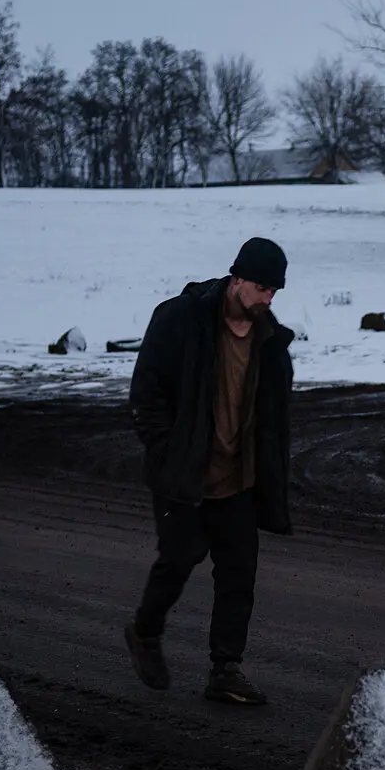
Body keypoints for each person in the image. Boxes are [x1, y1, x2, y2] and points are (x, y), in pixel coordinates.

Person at [123, 237, 294, 705]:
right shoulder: (181, 319)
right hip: (186, 476)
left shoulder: (270, 340)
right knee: (177, 562)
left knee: (239, 574)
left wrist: (272, 472)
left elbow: (275, 418)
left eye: (275, 291)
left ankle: (226, 670)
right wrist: (167, 451)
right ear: (236, 278)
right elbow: (146, 393)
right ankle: (144, 632)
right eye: (261, 287)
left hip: (238, 481)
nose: (268, 298)